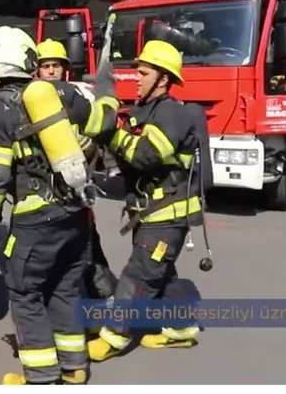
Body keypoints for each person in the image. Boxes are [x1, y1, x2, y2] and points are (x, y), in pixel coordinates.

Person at [0, 26, 122, 385]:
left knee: (25, 291)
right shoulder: (62, 92)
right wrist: (109, 93)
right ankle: (74, 367)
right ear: (29, 61)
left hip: (34, 215)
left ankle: (40, 376)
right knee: (65, 287)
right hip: (75, 212)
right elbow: (103, 122)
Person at [87, 40, 204, 362]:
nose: (135, 78)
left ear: (163, 78)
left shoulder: (172, 114)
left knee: (139, 273)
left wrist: (111, 133)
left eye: (143, 73)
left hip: (167, 214)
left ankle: (114, 338)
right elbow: (123, 157)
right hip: (150, 212)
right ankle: (181, 330)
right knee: (161, 273)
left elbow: (146, 155)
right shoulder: (145, 110)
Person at [36, 39, 118, 302]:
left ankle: (105, 304)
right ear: (37, 70)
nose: (51, 71)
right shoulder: (29, 98)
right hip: (44, 194)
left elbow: (100, 129)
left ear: (65, 69)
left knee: (88, 250)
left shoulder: (79, 96)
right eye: (46, 66)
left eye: (56, 66)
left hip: (76, 190)